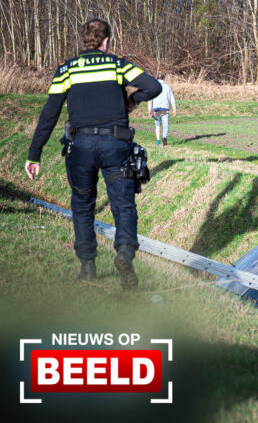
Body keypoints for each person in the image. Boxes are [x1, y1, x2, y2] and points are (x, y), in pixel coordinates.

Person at [24, 18, 161, 290]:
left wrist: (34, 153)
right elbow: (154, 87)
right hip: (116, 145)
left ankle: (87, 267)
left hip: (80, 147)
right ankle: (124, 252)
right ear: (106, 41)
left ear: (83, 41)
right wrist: (131, 101)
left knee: (82, 205)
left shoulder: (67, 70)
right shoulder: (117, 65)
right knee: (123, 204)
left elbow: (49, 114)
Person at [147, 73, 177, 146]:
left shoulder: (154, 87)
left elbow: (150, 99)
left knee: (157, 125)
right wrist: (174, 109)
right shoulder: (168, 87)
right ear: (164, 78)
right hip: (165, 108)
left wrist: (149, 110)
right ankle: (164, 137)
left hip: (156, 109)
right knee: (165, 125)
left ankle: (158, 141)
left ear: (157, 79)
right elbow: (172, 98)